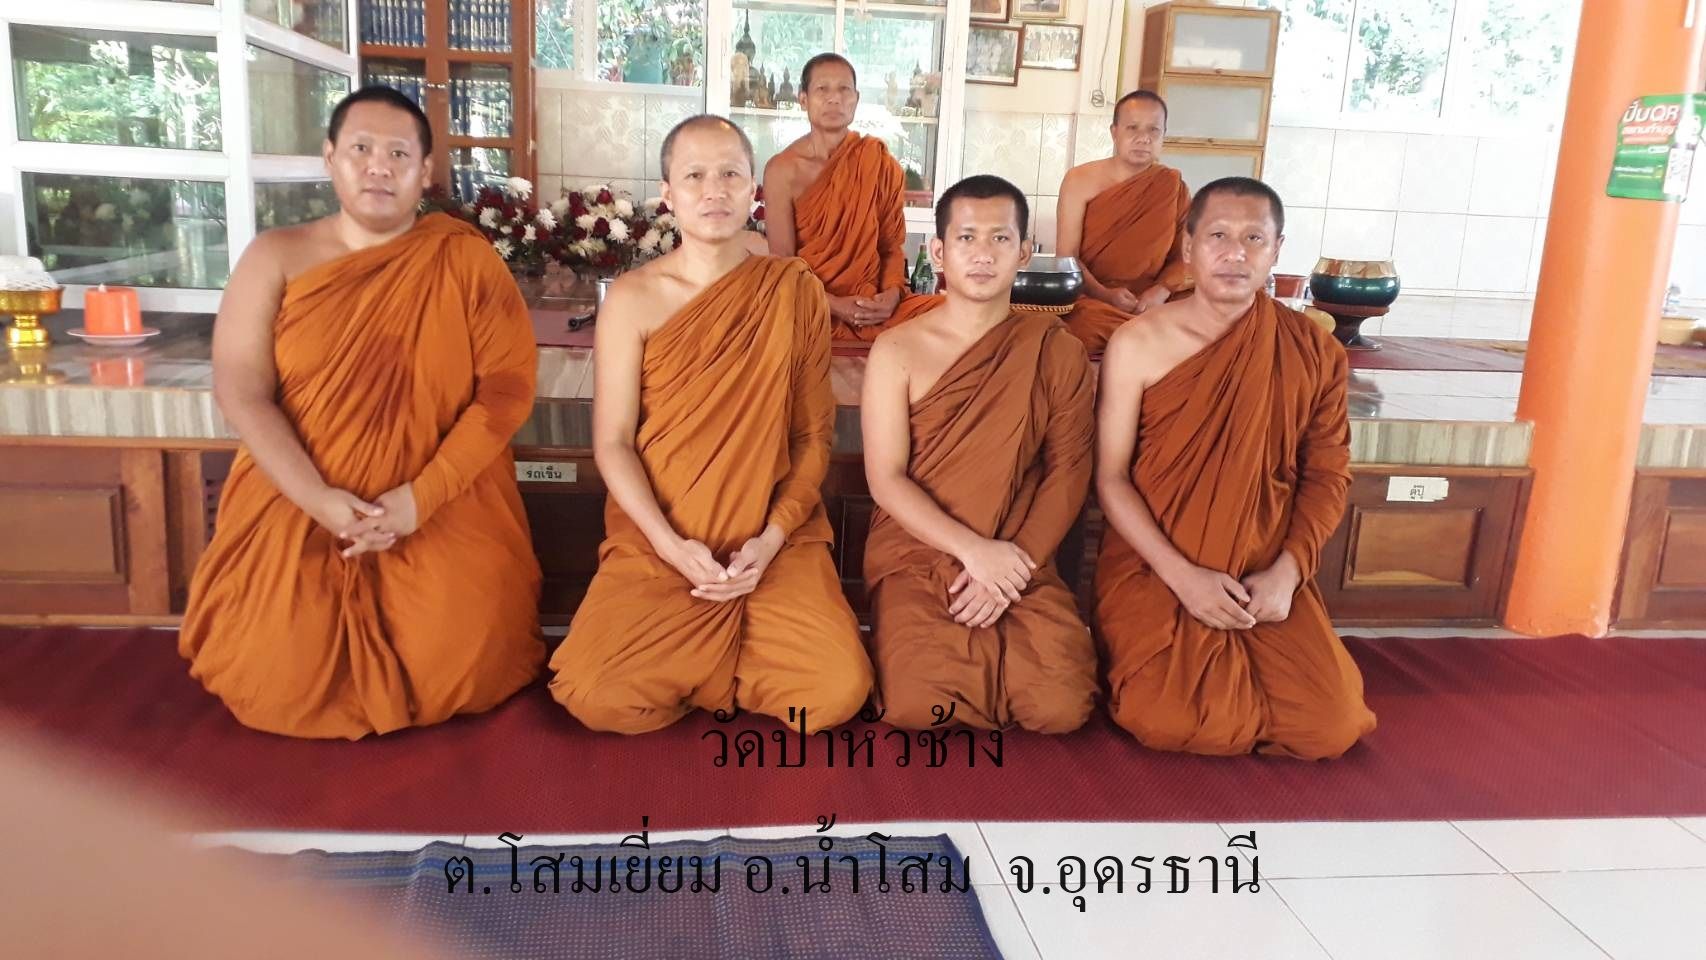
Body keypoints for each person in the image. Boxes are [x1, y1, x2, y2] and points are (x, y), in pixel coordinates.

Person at [179, 87, 544, 740]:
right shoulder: (274, 257)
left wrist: (420, 499)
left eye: (399, 153)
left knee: (463, 659)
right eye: (361, 149)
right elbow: (241, 389)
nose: (379, 166)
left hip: (439, 499)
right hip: (301, 496)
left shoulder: (463, 259)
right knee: (276, 675)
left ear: (425, 171)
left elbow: (507, 391)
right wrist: (317, 498)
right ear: (330, 158)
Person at [549, 115, 873, 735]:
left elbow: (812, 437)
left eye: (730, 174)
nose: (714, 190)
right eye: (694, 176)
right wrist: (671, 544)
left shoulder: (792, 290)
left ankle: (699, 663)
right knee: (594, 693)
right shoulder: (634, 298)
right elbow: (612, 443)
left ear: (754, 188)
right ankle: (730, 662)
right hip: (663, 539)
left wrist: (772, 537)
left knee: (835, 692)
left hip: (771, 543)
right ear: (668, 194)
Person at [1093, 176, 1376, 760]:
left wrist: (1288, 573)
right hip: (1158, 566)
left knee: (1331, 727)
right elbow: (1110, 478)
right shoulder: (1138, 343)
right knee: (1168, 719)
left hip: (1262, 567)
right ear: (1188, 246)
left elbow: (1327, 476)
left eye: (1254, 238)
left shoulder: (1312, 351)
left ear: (1276, 250)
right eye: (1218, 235)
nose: (1235, 253)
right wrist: (1181, 575)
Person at [860, 175, 1097, 732]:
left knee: (1060, 707)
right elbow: (886, 478)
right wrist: (972, 551)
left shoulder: (1056, 351)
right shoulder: (897, 349)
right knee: (920, 705)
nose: (983, 254)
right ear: (940, 252)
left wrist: (1010, 568)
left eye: (1000, 238)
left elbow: (1068, 472)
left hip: (1018, 552)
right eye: (967, 238)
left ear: (1025, 252)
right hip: (919, 549)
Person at [763, 53, 943, 341]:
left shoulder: (878, 162)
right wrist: (835, 305)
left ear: (856, 99)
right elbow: (783, 264)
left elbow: (890, 247)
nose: (834, 98)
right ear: (803, 100)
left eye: (844, 89)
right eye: (822, 89)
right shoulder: (782, 170)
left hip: (873, 304)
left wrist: (892, 294)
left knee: (949, 315)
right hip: (811, 305)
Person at [1054, 90, 1193, 354]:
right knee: (1078, 328)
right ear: (1114, 132)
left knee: (1207, 316)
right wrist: (1105, 294)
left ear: (1164, 135)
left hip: (1155, 301)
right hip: (1095, 300)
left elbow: (1186, 255)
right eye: (1132, 128)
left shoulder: (1173, 186)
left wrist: (1161, 290)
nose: (1143, 138)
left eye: (1153, 130)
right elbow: (1066, 258)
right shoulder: (1079, 180)